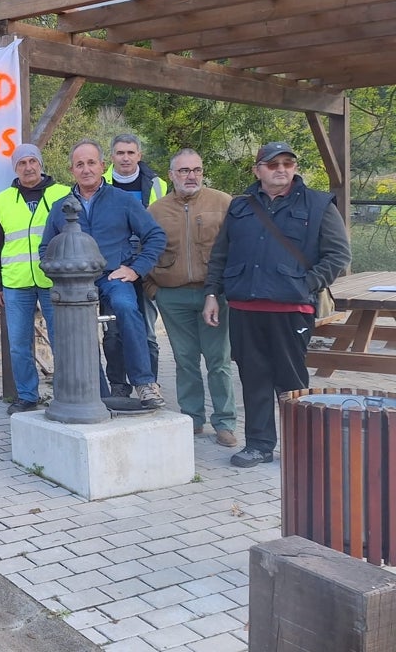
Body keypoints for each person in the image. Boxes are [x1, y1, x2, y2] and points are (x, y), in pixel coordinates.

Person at [203, 141, 350, 468]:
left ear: (295, 167)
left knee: (291, 381)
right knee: (253, 379)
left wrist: (304, 285)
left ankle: (301, 448)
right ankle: (259, 445)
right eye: (272, 164)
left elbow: (339, 256)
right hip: (244, 310)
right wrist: (212, 293)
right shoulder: (240, 207)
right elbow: (220, 256)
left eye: (287, 162)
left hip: (291, 311)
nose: (281, 169)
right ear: (258, 170)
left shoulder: (319, 205)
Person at [41, 140, 167, 407]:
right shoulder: (60, 207)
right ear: (71, 170)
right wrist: (61, 277)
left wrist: (135, 269)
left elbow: (155, 235)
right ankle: (96, 391)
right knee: (76, 328)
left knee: (126, 308)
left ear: (102, 165)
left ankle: (145, 383)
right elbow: (46, 248)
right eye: (80, 164)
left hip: (113, 276)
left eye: (91, 163)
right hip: (76, 282)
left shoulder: (122, 201)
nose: (86, 169)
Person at [146, 149, 237, 447]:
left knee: (219, 360)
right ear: (171, 175)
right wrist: (154, 291)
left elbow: (240, 248)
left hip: (214, 295)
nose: (191, 176)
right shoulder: (155, 211)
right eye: (183, 171)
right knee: (185, 360)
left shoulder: (223, 203)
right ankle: (193, 418)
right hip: (173, 296)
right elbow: (142, 254)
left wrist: (227, 290)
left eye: (196, 170)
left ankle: (224, 422)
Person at [0, 143, 70, 415]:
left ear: (41, 164)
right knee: (19, 344)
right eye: (22, 163)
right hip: (16, 283)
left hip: (54, 281)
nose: (28, 167)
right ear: (15, 168)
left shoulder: (63, 194)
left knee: (62, 340)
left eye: (32, 161)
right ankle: (26, 395)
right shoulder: (3, 200)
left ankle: (67, 393)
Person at [101, 133, 166, 396]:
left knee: (148, 331)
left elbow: (160, 229)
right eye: (120, 153)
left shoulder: (158, 185)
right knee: (113, 331)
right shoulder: (100, 182)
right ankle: (119, 385)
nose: (125, 158)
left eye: (130, 152)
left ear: (139, 155)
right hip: (114, 269)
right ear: (112, 157)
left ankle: (149, 384)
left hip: (146, 267)